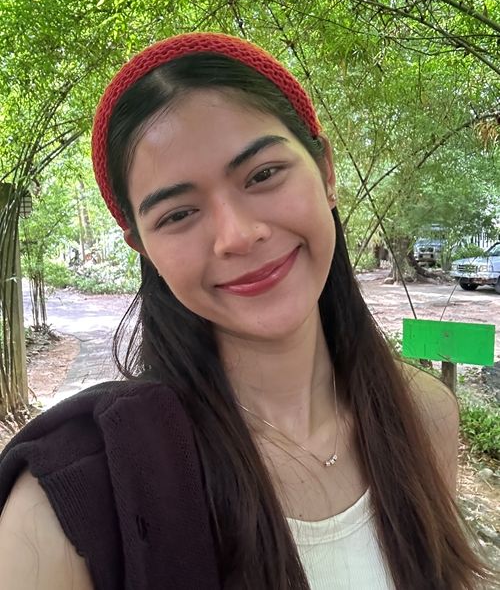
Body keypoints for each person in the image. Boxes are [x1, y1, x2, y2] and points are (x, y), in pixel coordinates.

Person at [0, 33, 492, 590]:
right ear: (143, 248)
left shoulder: (424, 416)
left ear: (326, 172)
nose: (236, 235)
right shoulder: (66, 508)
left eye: (262, 175)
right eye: (178, 214)